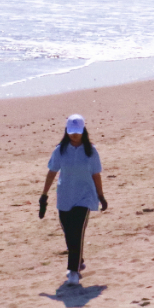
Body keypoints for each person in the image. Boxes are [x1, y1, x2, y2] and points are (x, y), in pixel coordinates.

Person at [39, 114, 108, 286]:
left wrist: (101, 196)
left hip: (84, 197)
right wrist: (44, 195)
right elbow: (52, 172)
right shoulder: (60, 150)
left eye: (77, 132)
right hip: (65, 197)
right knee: (69, 233)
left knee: (77, 232)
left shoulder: (91, 151)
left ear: (83, 130)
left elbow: (96, 174)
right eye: (71, 132)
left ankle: (73, 271)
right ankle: (78, 260)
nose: (74, 135)